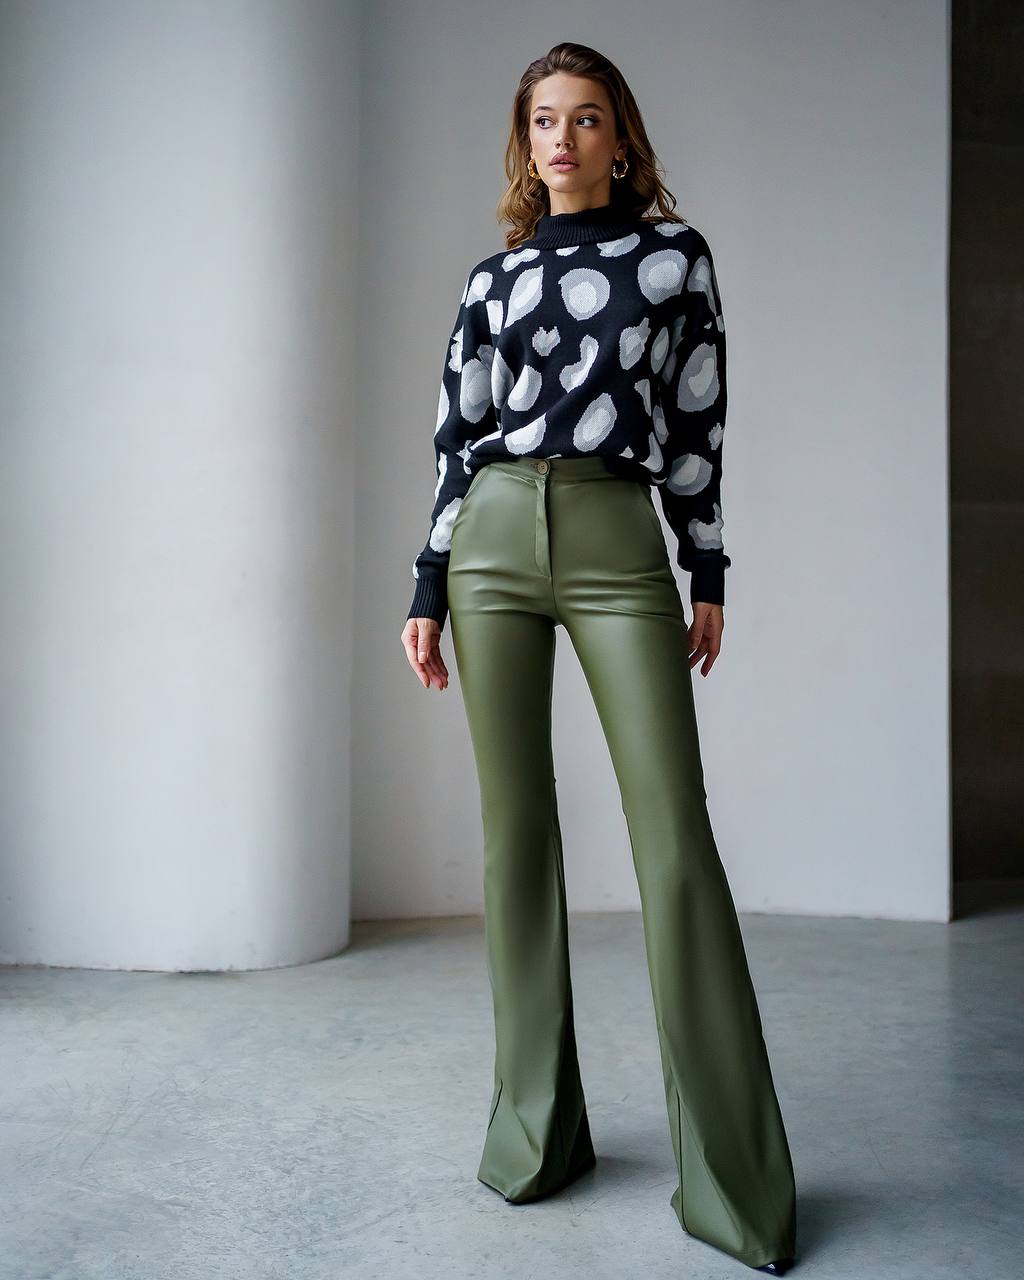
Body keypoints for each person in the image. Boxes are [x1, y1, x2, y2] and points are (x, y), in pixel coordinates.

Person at [399, 41, 798, 1277]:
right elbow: (458, 434)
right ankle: (535, 1133)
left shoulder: (674, 256)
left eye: (586, 119)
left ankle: (734, 1182)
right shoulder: (495, 276)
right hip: (495, 542)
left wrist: (709, 568)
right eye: (542, 122)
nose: (562, 139)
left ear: (621, 137)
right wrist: (427, 580)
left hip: (621, 532)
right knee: (516, 836)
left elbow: (696, 414)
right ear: (523, 144)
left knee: (672, 831)